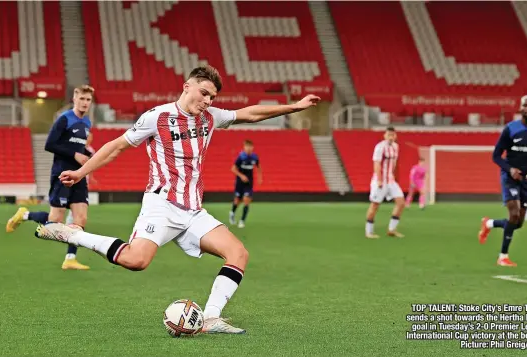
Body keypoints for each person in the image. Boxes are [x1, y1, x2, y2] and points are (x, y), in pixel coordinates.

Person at [31, 65, 320, 334]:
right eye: (203, 93)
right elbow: (117, 146)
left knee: (239, 253)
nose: (207, 101)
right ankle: (73, 234)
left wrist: (294, 107)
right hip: (162, 206)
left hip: (193, 210)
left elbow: (250, 114)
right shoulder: (156, 117)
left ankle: (210, 319)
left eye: (212, 97)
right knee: (136, 260)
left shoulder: (210, 117)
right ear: (187, 87)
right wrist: (81, 172)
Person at [6, 85, 95, 270]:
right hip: (62, 173)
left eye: (88, 100)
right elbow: (50, 144)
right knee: (55, 222)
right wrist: (74, 155)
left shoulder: (86, 123)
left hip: (78, 176)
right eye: (82, 98)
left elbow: (77, 147)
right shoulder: (64, 119)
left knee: (81, 219)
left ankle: (70, 258)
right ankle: (26, 214)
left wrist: (87, 153)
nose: (85, 103)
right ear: (75, 98)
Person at [478, 95, 527, 267]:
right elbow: (495, 156)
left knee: (518, 223)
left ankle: (488, 223)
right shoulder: (510, 129)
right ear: (520, 107)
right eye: (525, 105)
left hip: (526, 180)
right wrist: (510, 170)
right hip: (509, 178)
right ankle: (503, 256)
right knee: (514, 214)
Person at [365, 126, 406, 239]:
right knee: (375, 205)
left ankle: (392, 229)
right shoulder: (380, 147)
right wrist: (379, 180)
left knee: (401, 203)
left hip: (391, 180)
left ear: (395, 136)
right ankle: (369, 231)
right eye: (389, 135)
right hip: (381, 180)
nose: (391, 137)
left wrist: (396, 178)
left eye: (393, 135)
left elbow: (395, 164)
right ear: (385, 136)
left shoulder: (396, 147)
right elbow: (377, 164)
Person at [229, 140, 262, 228]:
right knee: (237, 200)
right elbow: (233, 169)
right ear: (244, 147)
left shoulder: (254, 157)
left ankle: (242, 221)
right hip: (239, 183)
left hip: (249, 183)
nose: (248, 148)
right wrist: (241, 176)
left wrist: (259, 177)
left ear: (252, 147)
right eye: (247, 146)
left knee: (246, 200)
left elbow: (258, 167)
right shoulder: (241, 157)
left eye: (250, 146)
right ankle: (232, 213)